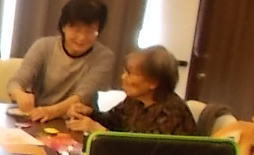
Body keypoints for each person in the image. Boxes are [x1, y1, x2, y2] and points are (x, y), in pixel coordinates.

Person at [7, 0, 116, 123]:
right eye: (76, 30)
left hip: (77, 121)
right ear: (64, 27)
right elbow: (15, 82)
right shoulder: (44, 46)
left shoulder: (104, 56)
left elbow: (82, 96)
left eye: (90, 31)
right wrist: (19, 94)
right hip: (38, 117)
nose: (82, 37)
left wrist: (51, 111)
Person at [67, 45, 196, 137]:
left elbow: (143, 152)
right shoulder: (135, 100)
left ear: (153, 82)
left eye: (130, 74)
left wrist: (98, 130)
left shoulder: (171, 112)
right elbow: (113, 121)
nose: (123, 77)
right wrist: (89, 112)